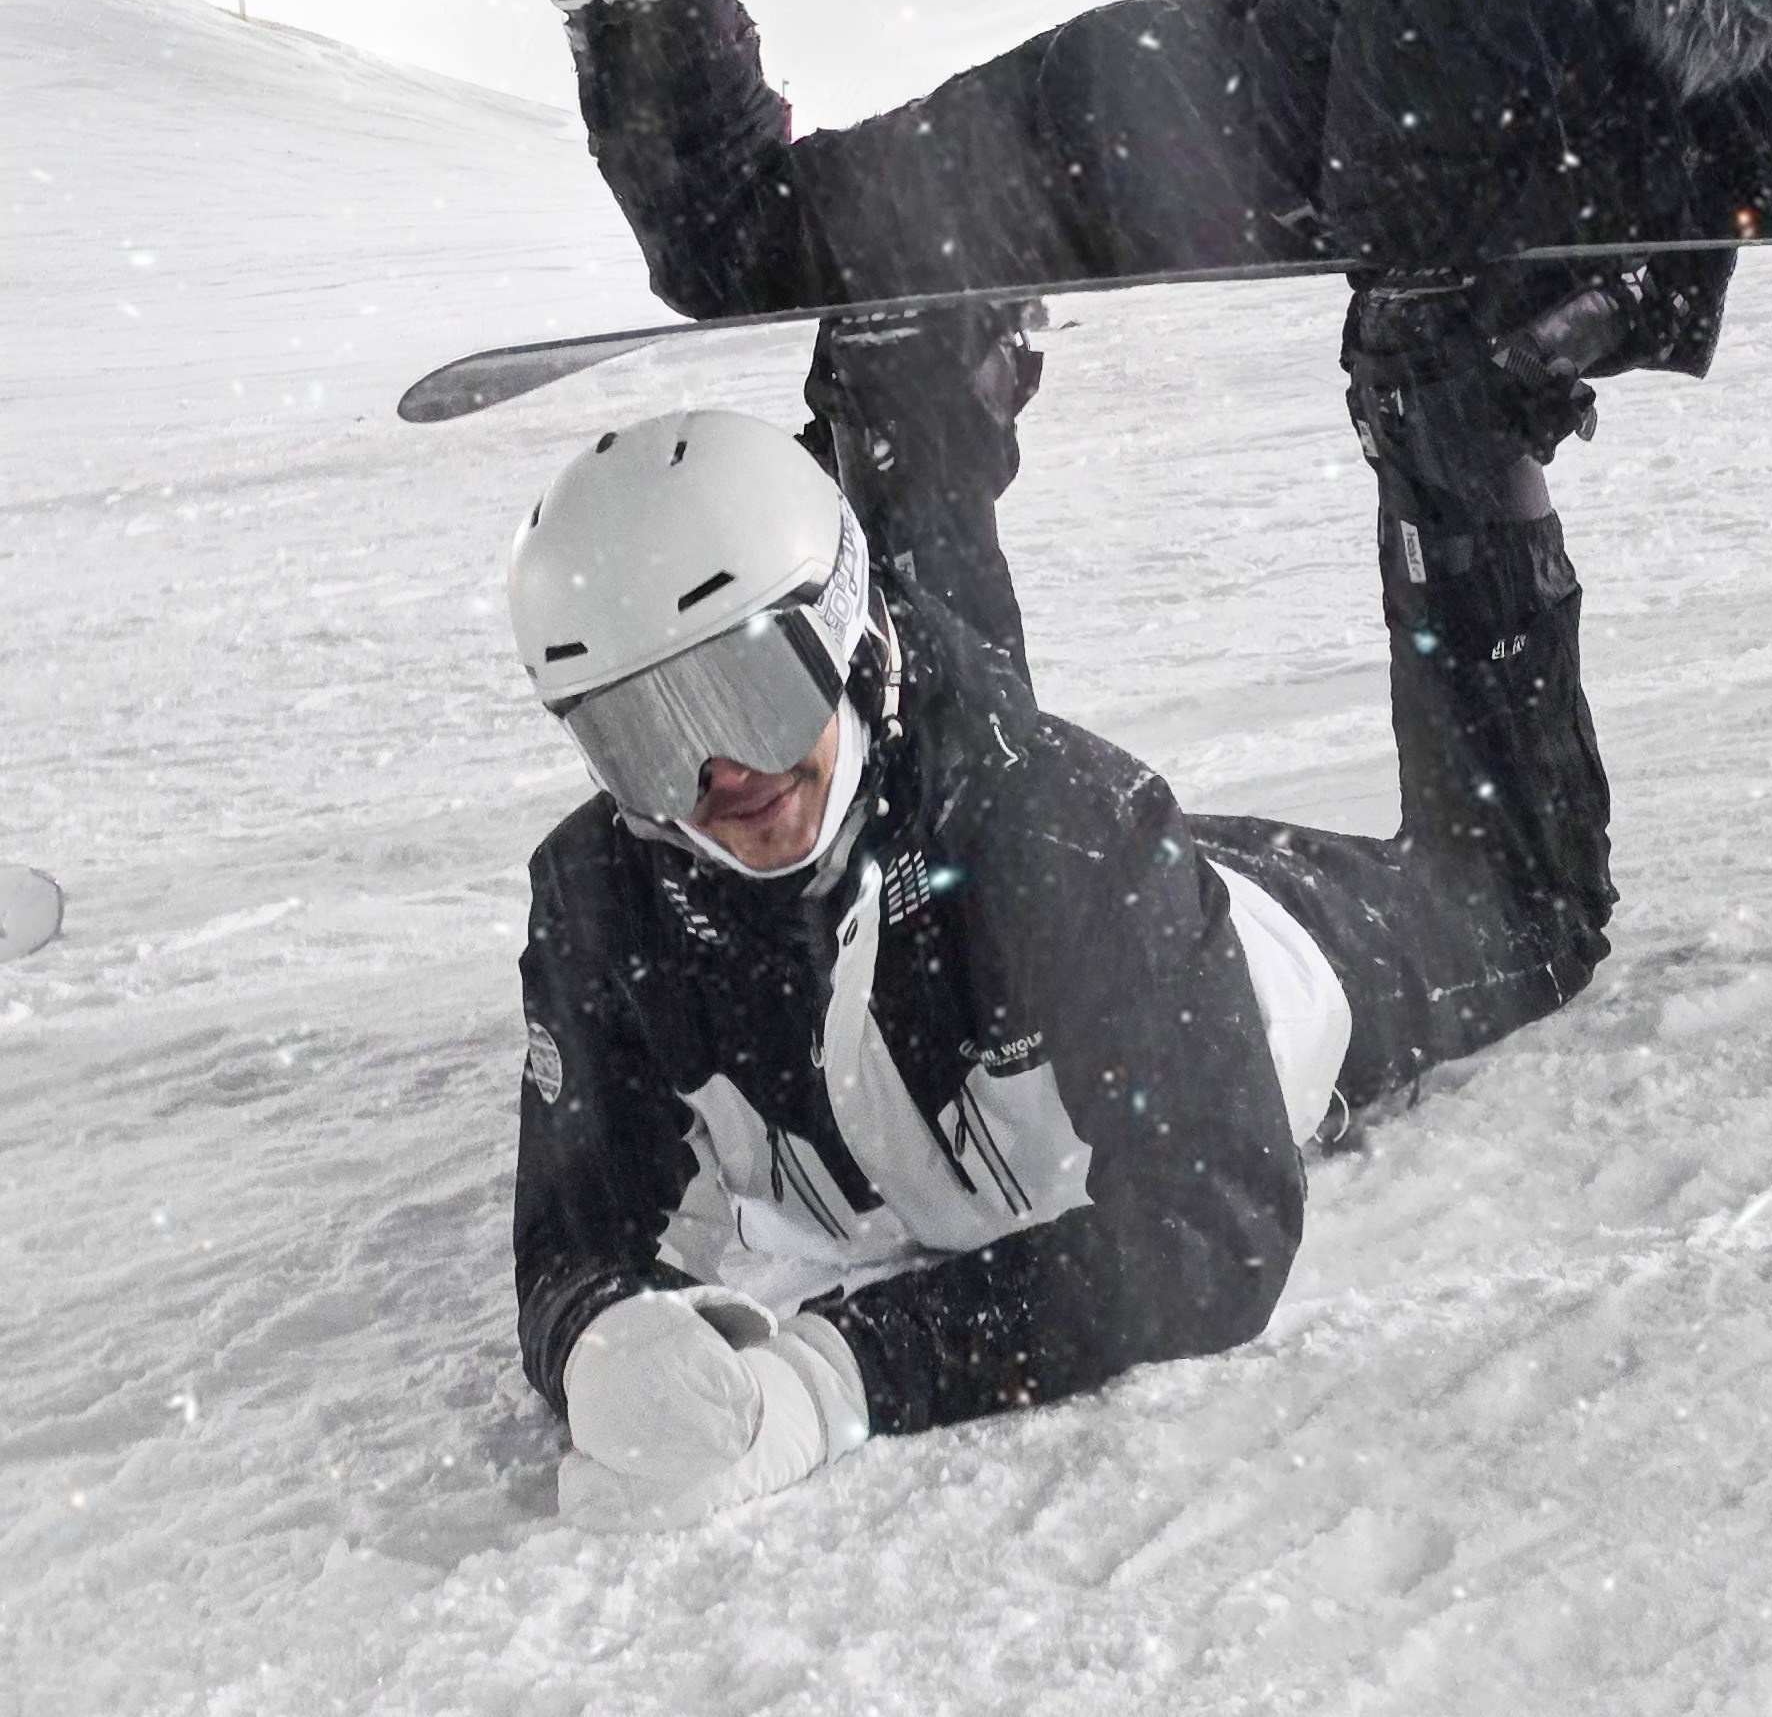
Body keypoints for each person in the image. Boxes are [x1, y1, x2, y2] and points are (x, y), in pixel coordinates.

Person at [343, 0, 1772, 1186]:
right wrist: (1610, 294)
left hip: (1227, 174)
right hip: (1099, 146)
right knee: (735, 241)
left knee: (1527, 903)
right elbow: (1424, 224)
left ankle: (957, 627)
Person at [506, 387, 1608, 1520]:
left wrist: (838, 1371)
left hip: (1264, 949)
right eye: (644, 736)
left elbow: (1210, 1234)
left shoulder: (1069, 832)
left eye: (749, 689)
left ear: (838, 624)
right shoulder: (602, 904)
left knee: (1536, 913)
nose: (721, 776)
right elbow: (576, 1236)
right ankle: (903, 384)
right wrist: (601, 1340)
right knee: (935, 811)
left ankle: (1454, 423)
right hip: (979, 870)